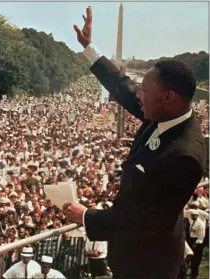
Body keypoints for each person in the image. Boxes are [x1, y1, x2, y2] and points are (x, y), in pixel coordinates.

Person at [63, 6, 206, 279]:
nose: (137, 94)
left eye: (144, 90)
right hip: (135, 255)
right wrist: (89, 47)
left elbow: (147, 220)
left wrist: (87, 217)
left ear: (168, 98)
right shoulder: (167, 114)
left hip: (148, 263)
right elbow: (122, 87)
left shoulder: (185, 156)